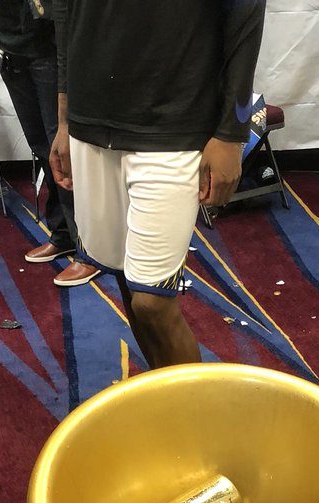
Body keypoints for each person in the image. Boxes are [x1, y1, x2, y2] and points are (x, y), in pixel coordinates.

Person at [52, 0, 266, 367]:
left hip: (174, 119)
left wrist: (232, 133)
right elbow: (64, 10)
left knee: (152, 302)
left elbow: (246, 13)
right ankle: (163, 394)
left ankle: (194, 405)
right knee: (127, 279)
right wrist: (64, 119)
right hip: (91, 120)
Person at [0, 0, 100, 287]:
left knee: (65, 152)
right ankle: (64, 233)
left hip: (47, 46)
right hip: (10, 48)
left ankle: (91, 250)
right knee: (42, 148)